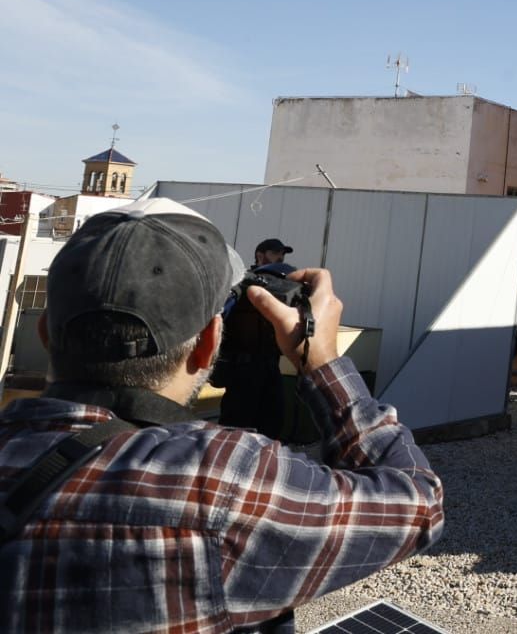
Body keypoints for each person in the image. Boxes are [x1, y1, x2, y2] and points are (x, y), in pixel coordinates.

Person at [0, 199, 444, 633]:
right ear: (210, 341)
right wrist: (320, 358)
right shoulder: (223, 480)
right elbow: (418, 502)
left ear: (45, 333)